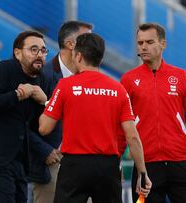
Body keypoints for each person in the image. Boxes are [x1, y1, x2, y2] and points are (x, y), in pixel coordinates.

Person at [39, 33, 152, 203]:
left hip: (74, 165)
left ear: (78, 56)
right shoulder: (118, 89)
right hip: (108, 166)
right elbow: (132, 136)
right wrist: (142, 172)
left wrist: (46, 103)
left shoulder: (65, 85)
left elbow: (44, 128)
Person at [120, 23, 186, 203]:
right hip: (145, 166)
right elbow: (120, 125)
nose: (143, 47)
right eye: (140, 43)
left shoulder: (181, 77)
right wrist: (115, 158)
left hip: (179, 163)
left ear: (163, 44)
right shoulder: (128, 80)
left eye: (149, 42)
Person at [0, 31, 48, 203]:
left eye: (43, 51)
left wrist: (44, 103)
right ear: (17, 52)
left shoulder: (39, 78)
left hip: (17, 162)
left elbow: (35, 125)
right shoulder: (3, 69)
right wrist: (16, 95)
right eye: (33, 49)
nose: (39, 55)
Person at [28, 20, 93, 203]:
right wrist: (44, 151)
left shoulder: (91, 77)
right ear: (70, 44)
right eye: (87, 39)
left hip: (86, 162)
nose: (92, 43)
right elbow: (22, 123)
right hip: (52, 163)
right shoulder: (43, 76)